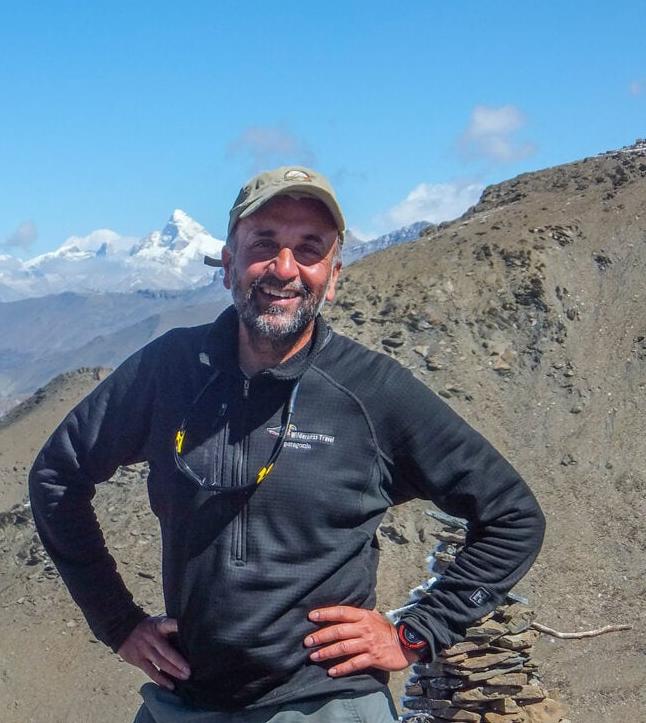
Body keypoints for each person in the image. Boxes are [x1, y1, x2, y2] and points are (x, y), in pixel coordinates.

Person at [29, 166, 545, 722]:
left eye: (309, 250)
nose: (284, 269)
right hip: (185, 698)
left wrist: (416, 633)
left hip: (324, 701)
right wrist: (118, 622)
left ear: (334, 273)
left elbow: (512, 516)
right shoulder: (171, 369)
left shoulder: (371, 392)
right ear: (228, 263)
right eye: (264, 245)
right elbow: (58, 475)